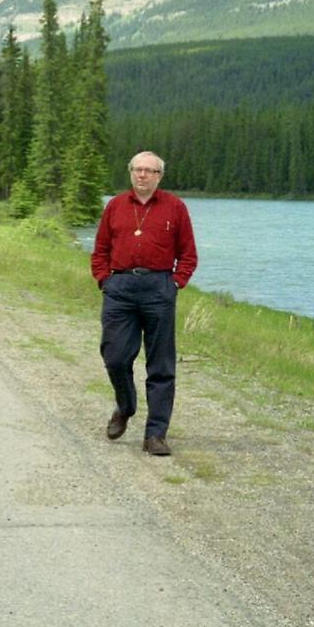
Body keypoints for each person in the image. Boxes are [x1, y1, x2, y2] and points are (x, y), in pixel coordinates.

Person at [91, 151, 198, 456]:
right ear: (130, 173)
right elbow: (100, 249)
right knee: (115, 357)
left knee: (161, 365)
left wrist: (175, 283)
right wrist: (104, 279)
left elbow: (188, 254)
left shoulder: (174, 207)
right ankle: (125, 406)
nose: (142, 175)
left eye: (149, 171)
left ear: (159, 176)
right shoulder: (115, 206)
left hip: (158, 288)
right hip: (120, 287)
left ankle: (156, 435)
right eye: (138, 170)